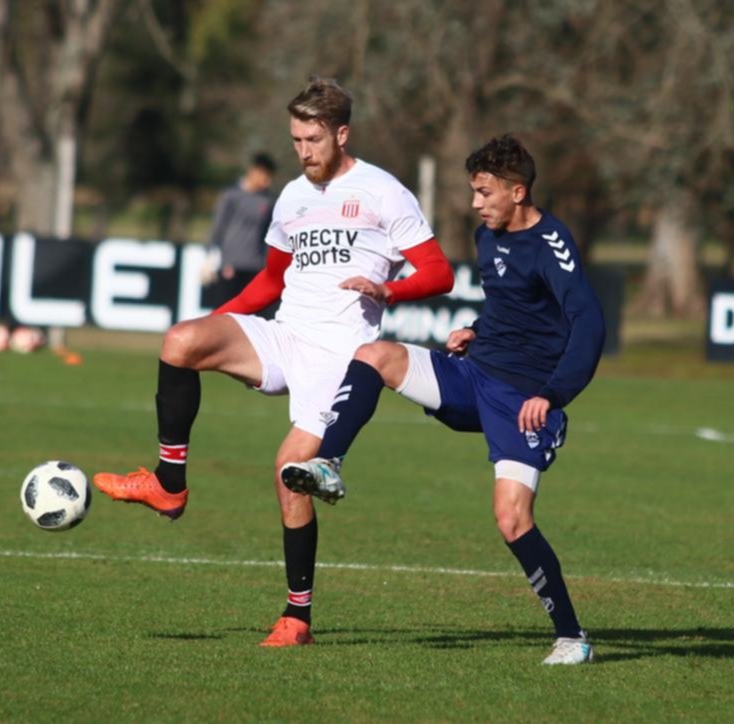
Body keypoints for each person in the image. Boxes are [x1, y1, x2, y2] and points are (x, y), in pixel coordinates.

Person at [93, 77, 455, 647]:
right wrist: (219, 323)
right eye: (295, 140)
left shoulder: (384, 192)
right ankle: (168, 485)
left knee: (290, 478)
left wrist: (390, 291)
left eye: (313, 139)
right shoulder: (292, 196)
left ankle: (297, 618)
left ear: (341, 133)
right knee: (182, 341)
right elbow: (270, 279)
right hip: (285, 335)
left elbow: (440, 272)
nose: (304, 151)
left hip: (340, 360)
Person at [281, 135, 605, 664]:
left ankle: (572, 638)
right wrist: (475, 330)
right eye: (473, 191)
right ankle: (329, 463)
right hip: (472, 377)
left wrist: (552, 394)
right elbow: (516, 310)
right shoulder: (488, 237)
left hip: (522, 401)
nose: (475, 203)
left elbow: (587, 325)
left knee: (511, 520)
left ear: (517, 191)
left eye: (484, 192)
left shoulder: (551, 244)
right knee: (375, 355)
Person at [208, 153, 277, 304]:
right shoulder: (231, 196)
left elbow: (268, 234)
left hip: (256, 267)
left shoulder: (269, 201)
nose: (267, 181)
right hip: (231, 266)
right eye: (265, 176)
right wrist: (213, 258)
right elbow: (218, 228)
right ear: (254, 172)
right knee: (225, 314)